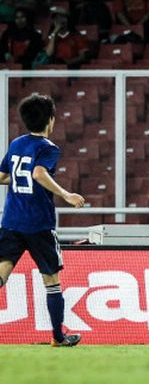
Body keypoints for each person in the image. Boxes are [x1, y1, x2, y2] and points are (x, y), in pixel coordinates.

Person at [0, 94, 85, 347]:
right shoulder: (48, 148)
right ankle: (58, 338)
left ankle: (59, 337)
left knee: (2, 273)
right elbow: (38, 173)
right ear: (50, 120)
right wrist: (66, 194)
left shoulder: (16, 143)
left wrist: (19, 178)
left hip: (11, 221)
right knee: (51, 280)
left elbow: (3, 176)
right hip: (39, 225)